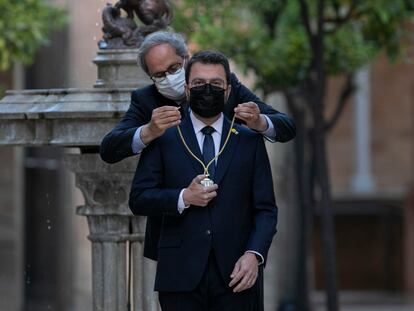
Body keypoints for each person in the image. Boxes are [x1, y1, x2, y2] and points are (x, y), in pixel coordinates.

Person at [129, 50, 278, 311]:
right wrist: (182, 197)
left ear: (228, 90)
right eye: (198, 84)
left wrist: (255, 255)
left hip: (238, 275)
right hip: (179, 275)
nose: (207, 89)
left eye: (216, 84)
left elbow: (266, 209)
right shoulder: (164, 137)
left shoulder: (249, 140)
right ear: (186, 89)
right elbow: (139, 199)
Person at [99, 31, 296, 166]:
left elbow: (286, 127)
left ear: (186, 58)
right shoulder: (146, 99)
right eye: (159, 75)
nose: (168, 77)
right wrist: (148, 131)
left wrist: (259, 121)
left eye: (174, 68)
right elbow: (108, 149)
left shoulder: (223, 85)